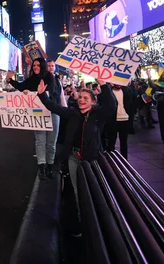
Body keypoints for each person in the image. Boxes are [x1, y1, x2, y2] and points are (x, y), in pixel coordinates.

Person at [37, 78, 115, 234]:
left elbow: (111, 106)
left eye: (86, 99)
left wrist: (105, 86)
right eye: (80, 98)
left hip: (92, 159)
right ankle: (84, 224)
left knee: (94, 191)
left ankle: (99, 225)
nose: (82, 101)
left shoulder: (98, 115)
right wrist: (41, 95)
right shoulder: (72, 113)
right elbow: (54, 107)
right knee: (78, 192)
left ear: (93, 102)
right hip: (73, 157)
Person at [6, 57, 57, 180]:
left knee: (51, 143)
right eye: (34, 65)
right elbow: (21, 87)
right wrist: (10, 80)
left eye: (38, 65)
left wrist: (35, 92)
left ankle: (50, 166)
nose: (35, 67)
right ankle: (42, 168)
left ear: (43, 66)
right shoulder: (31, 79)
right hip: (37, 114)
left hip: (53, 112)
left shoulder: (50, 77)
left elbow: (51, 93)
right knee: (40, 141)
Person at [104, 82, 135, 158]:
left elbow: (132, 104)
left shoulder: (127, 90)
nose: (118, 84)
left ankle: (125, 160)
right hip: (112, 120)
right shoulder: (109, 92)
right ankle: (110, 159)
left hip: (125, 119)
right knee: (111, 142)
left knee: (124, 142)